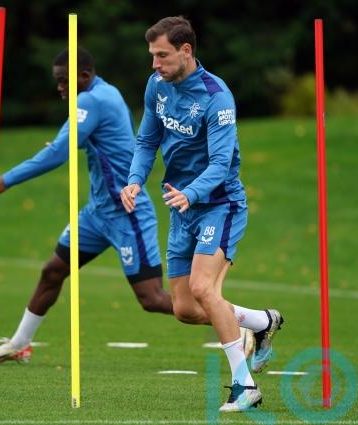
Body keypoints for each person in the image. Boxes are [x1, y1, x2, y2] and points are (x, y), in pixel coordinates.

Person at [120, 16, 283, 412]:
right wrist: (135, 180)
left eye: (162, 55)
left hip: (219, 205)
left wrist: (191, 194)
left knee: (203, 289)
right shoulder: (156, 85)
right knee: (184, 309)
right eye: (152, 55)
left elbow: (221, 163)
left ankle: (245, 388)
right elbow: (147, 140)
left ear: (186, 50)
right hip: (182, 208)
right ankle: (261, 322)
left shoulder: (216, 96)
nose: (155, 64)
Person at [0, 47, 173, 363]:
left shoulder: (93, 100)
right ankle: (19, 344)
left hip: (127, 213)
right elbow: (83, 141)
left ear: (85, 75)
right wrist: (66, 143)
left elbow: (58, 154)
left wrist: (6, 180)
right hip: (96, 214)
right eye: (58, 81)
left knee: (152, 298)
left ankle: (239, 321)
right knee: (52, 272)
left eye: (65, 80)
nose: (60, 87)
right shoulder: (103, 93)